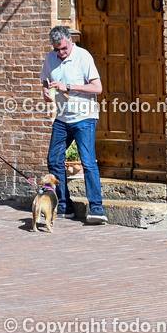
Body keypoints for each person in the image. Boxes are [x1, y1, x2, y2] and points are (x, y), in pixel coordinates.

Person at [41, 26, 107, 224]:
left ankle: (96, 208)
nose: (60, 53)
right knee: (54, 160)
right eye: (56, 50)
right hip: (62, 118)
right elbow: (45, 80)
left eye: (63, 49)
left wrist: (68, 86)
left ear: (70, 42)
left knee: (88, 162)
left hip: (84, 117)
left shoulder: (83, 56)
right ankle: (64, 205)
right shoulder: (51, 58)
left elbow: (97, 88)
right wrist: (45, 92)